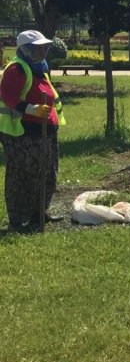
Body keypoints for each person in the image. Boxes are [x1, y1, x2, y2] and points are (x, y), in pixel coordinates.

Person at [0, 30, 66, 233]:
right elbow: (7, 96)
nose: (44, 50)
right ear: (26, 49)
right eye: (39, 47)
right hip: (22, 134)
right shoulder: (17, 69)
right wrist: (32, 109)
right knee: (23, 175)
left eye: (45, 47)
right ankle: (17, 220)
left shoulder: (39, 67)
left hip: (45, 132)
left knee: (47, 173)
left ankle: (39, 213)